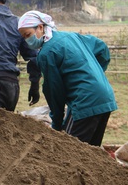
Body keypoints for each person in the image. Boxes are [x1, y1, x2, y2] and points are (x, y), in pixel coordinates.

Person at [17, 10, 117, 146]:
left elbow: (54, 92)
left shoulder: (46, 53)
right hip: (105, 97)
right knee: (92, 153)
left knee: (69, 151)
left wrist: (57, 125)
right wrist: (95, 73)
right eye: (24, 37)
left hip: (84, 101)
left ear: (40, 27)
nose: (27, 40)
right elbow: (102, 48)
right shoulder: (71, 36)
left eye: (28, 34)